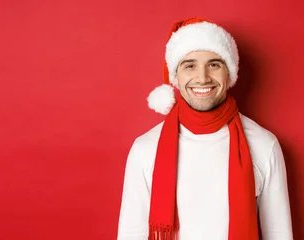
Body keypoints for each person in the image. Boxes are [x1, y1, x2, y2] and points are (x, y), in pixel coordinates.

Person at [117, 17, 293, 240]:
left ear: (229, 73)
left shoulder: (264, 145)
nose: (202, 78)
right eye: (190, 65)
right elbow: (131, 234)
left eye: (214, 64)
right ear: (176, 77)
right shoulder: (145, 149)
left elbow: (279, 234)